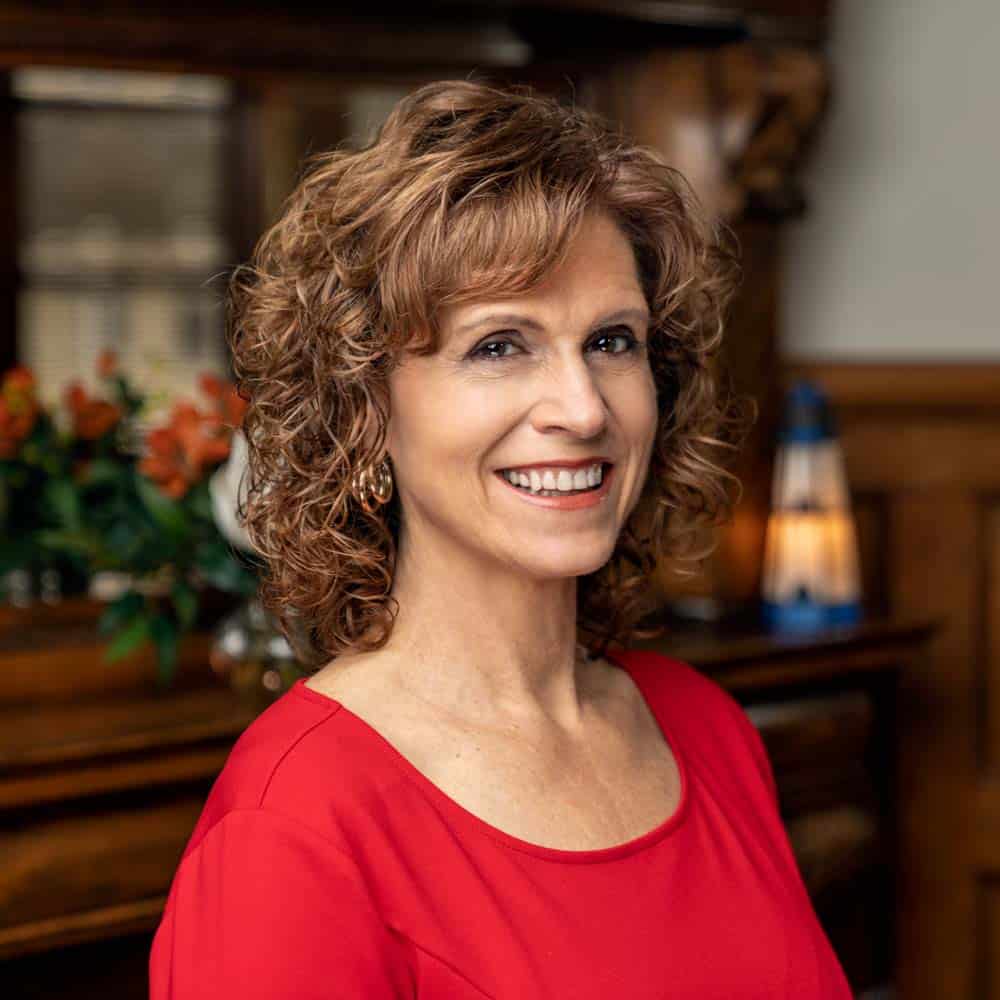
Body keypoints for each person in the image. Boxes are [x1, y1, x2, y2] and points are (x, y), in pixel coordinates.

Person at [149, 78, 852, 998]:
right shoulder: (293, 825)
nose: (583, 408)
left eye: (611, 341)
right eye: (498, 345)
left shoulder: (708, 731)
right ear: (364, 408)